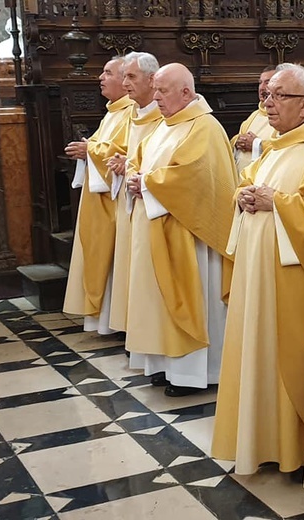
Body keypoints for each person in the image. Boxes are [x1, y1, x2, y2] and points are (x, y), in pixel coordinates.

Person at [212, 63, 304, 474]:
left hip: (293, 276)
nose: (266, 103)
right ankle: (263, 441)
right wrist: (244, 195)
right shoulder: (276, 142)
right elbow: (248, 180)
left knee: (290, 353)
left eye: (277, 96)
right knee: (256, 351)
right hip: (257, 268)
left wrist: (279, 202)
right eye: (267, 95)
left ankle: (299, 448)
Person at [124, 63, 237, 397]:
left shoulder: (204, 127)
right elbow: (142, 158)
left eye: (162, 90)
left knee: (192, 300)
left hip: (191, 237)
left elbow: (196, 177)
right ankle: (163, 365)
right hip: (157, 227)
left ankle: (194, 373)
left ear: (186, 92)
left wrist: (146, 183)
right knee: (156, 299)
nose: (155, 96)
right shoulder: (165, 125)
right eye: (155, 89)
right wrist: (136, 175)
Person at [63, 57, 134, 334]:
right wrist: (90, 149)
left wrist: (90, 150)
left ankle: (116, 321)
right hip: (100, 199)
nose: (101, 78)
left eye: (108, 73)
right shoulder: (113, 112)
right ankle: (105, 320)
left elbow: (127, 152)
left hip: (114, 202)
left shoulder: (131, 112)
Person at [106, 51, 163, 333]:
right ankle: (134, 328)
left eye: (131, 76)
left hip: (155, 205)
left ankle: (145, 331)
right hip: (132, 199)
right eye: (124, 76)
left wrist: (136, 171)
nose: (124, 83)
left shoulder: (166, 117)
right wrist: (124, 163)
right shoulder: (133, 112)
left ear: (152, 80)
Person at [230, 66, 276, 174]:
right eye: (260, 83)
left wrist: (257, 144)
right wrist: (238, 141)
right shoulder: (254, 115)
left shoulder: (285, 116)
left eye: (267, 82)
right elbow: (235, 140)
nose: (261, 87)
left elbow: (285, 147)